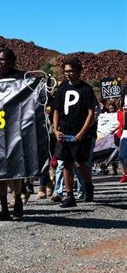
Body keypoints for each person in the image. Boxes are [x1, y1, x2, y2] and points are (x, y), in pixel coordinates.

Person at [0, 48, 25, 221]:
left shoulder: (22, 78)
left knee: (15, 170)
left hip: (15, 129)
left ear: (12, 61)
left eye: (3, 60)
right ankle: (3, 208)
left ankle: (17, 202)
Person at [53, 57, 97, 207]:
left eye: (71, 71)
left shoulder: (86, 89)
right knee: (66, 163)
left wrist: (82, 132)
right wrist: (55, 129)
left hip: (79, 130)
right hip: (64, 130)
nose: (68, 74)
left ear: (79, 71)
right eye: (65, 71)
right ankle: (69, 196)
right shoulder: (62, 88)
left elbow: (91, 113)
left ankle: (89, 185)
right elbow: (56, 110)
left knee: (80, 162)